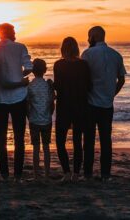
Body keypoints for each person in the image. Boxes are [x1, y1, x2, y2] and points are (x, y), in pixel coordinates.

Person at [81, 25, 125, 181]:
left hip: (91, 103)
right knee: (106, 140)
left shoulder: (87, 54)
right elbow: (122, 79)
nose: (87, 39)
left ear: (93, 36)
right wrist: (112, 94)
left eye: (89, 36)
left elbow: (82, 78)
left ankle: (88, 173)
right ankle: (105, 174)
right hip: (107, 103)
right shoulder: (116, 55)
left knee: (89, 140)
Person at [0, 22, 33, 182]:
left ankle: (4, 174)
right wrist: (19, 75)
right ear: (10, 32)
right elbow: (29, 67)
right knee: (19, 137)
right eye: (14, 30)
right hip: (19, 97)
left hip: (0, 98)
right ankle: (17, 175)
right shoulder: (20, 47)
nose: (15, 33)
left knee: (1, 137)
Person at [53, 37, 92, 181]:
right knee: (77, 141)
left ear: (63, 49)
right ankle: (76, 173)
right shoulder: (83, 65)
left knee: (60, 141)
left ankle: (66, 172)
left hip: (64, 106)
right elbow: (89, 86)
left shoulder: (58, 65)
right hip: (81, 105)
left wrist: (51, 85)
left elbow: (59, 86)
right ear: (76, 48)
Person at [27, 58, 54, 180]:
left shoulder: (30, 86)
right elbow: (52, 103)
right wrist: (49, 114)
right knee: (46, 147)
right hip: (46, 120)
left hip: (34, 120)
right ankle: (47, 174)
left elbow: (27, 104)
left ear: (32, 71)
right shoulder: (48, 85)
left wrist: (29, 117)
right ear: (45, 70)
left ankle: (36, 174)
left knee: (36, 148)